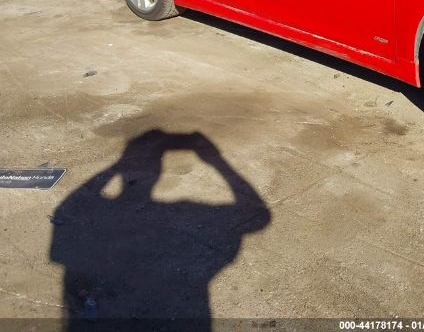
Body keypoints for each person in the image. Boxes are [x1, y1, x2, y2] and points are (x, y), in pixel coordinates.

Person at [50, 130, 271, 330]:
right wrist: (216, 161)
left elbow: (69, 208)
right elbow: (258, 217)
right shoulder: (184, 213)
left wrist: (118, 165)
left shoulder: (102, 213)